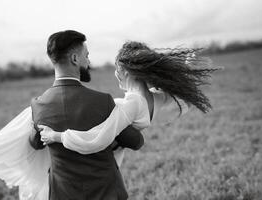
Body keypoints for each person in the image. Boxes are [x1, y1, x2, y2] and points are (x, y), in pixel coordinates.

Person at [0, 30, 144, 200]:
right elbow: (135, 142)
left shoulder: (38, 106)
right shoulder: (103, 101)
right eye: (86, 55)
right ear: (75, 59)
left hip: (62, 194)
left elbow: (36, 144)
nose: (88, 61)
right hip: (107, 192)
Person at [38, 41, 218, 167]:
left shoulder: (132, 104)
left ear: (124, 71)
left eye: (117, 69)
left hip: (95, 163)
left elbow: (97, 140)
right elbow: (180, 96)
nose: (115, 74)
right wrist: (186, 68)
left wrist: (56, 136)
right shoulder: (158, 98)